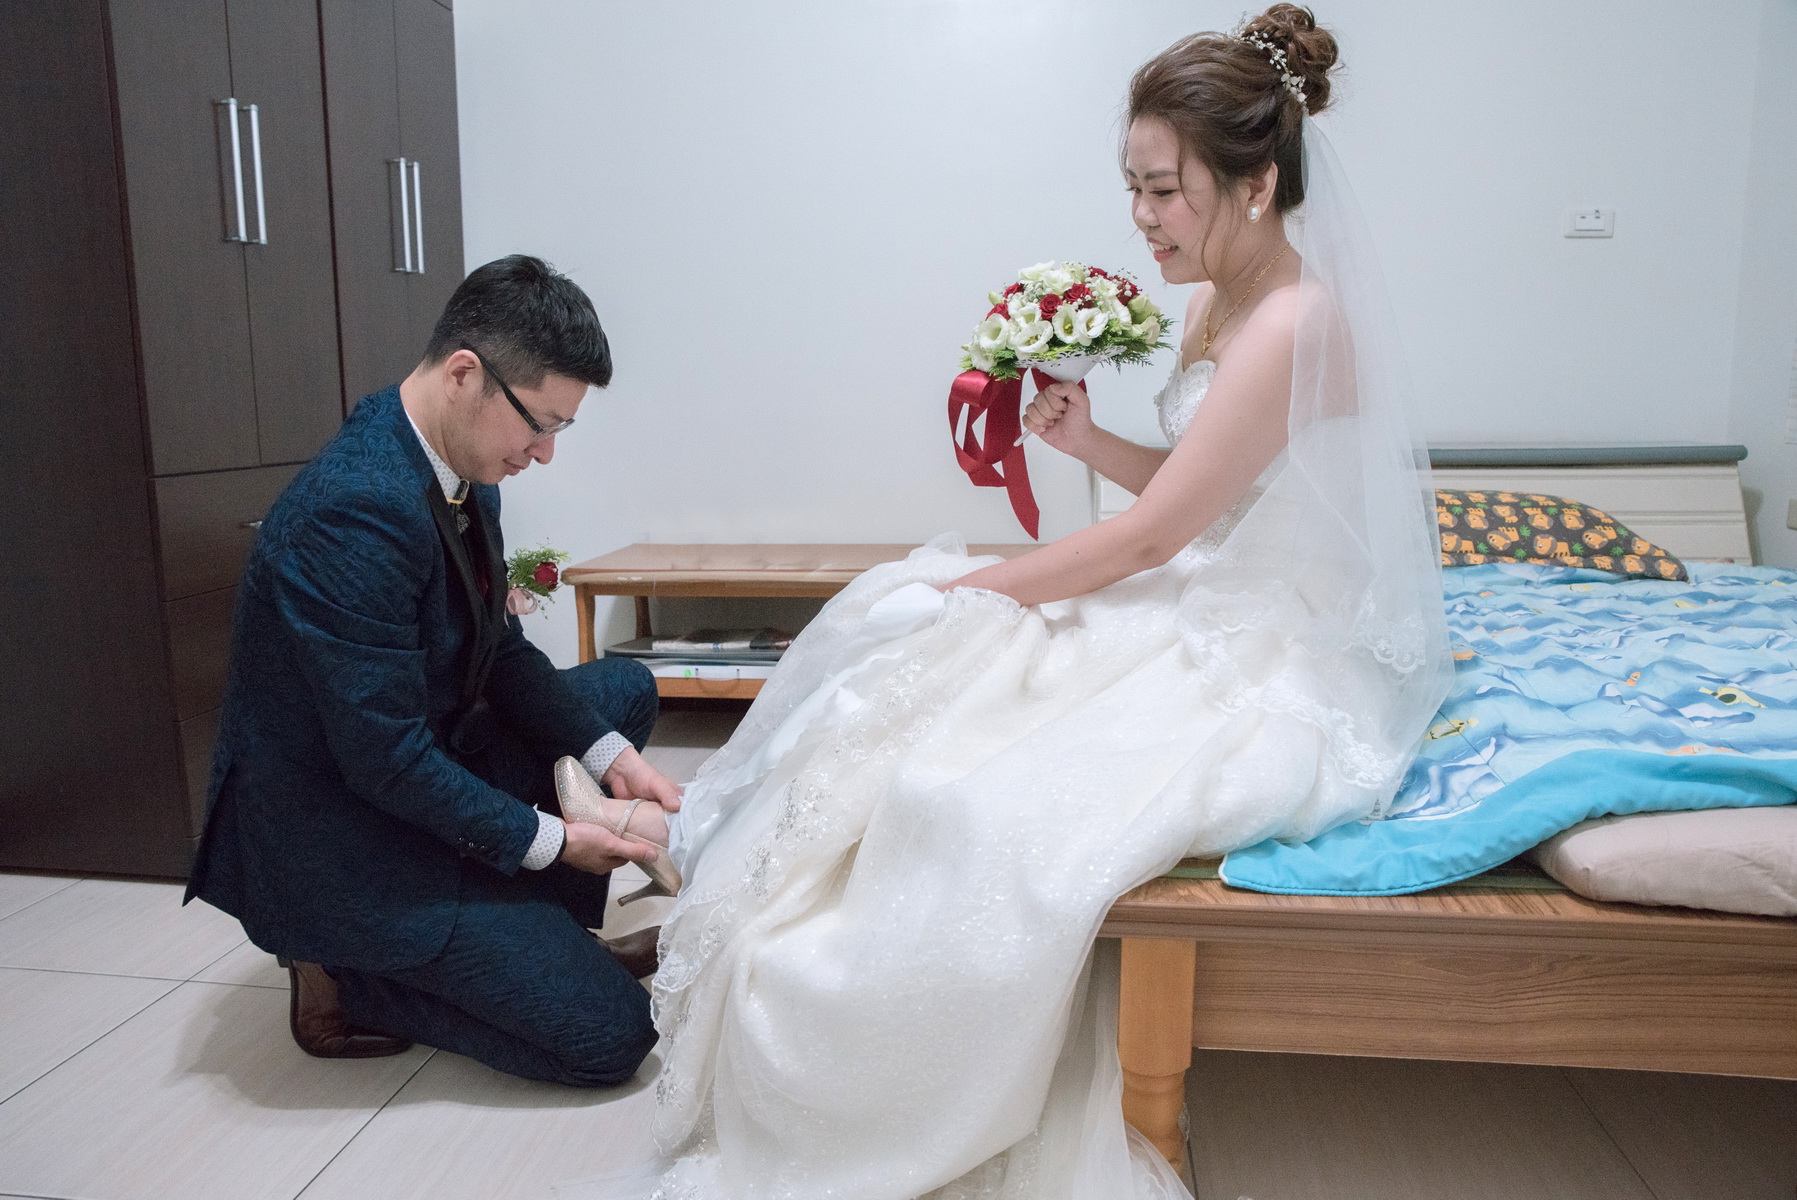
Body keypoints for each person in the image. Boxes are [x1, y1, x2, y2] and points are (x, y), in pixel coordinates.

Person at [567, 6, 1451, 1196]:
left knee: (956, 692)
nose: (1142, 216)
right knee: (921, 620)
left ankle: (716, 866)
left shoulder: (1297, 319)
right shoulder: (1218, 299)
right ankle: (705, 839)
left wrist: (980, 589)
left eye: (1164, 190)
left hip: (1271, 629)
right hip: (1204, 572)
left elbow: (1156, 535)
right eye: (1132, 187)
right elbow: (1206, 490)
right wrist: (1090, 442)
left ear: (1255, 185)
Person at [186, 255, 683, 1087]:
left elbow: (500, 648)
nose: (544, 454)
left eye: (559, 430)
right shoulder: (351, 511)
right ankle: (344, 972)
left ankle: (542, 937)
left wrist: (613, 759)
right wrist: (555, 842)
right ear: (464, 375)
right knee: (609, 1037)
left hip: (416, 754)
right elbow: (385, 761)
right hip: (344, 828)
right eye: (539, 425)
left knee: (619, 695)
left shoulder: (461, 464)